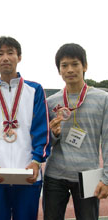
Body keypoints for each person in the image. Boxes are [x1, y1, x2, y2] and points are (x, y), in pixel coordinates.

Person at [0, 36, 51, 220]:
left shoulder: (34, 90)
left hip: (28, 172)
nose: (5, 58)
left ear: (19, 57)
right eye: (0, 54)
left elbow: (42, 129)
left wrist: (36, 161)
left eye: (10, 53)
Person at [43, 43, 108, 220]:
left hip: (88, 175)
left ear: (84, 66)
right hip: (55, 176)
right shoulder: (50, 102)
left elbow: (107, 141)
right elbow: (47, 143)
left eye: (75, 64)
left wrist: (106, 178)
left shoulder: (103, 99)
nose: (70, 69)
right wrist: (54, 134)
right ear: (59, 70)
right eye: (64, 65)